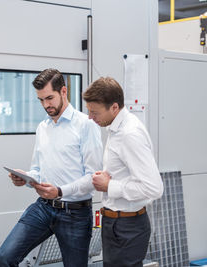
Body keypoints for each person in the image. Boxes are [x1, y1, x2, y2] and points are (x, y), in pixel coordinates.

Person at [0, 68, 103, 267]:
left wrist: (60, 191)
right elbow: (38, 170)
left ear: (63, 91)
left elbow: (93, 178)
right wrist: (26, 178)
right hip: (43, 208)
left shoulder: (85, 125)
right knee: (5, 257)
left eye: (49, 98)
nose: (46, 105)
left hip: (75, 214)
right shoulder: (43, 128)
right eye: (41, 100)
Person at [82, 77, 164, 267]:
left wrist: (110, 186)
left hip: (128, 227)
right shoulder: (116, 129)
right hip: (115, 223)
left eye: (95, 112)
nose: (90, 117)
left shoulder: (129, 134)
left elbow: (154, 188)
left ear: (114, 107)